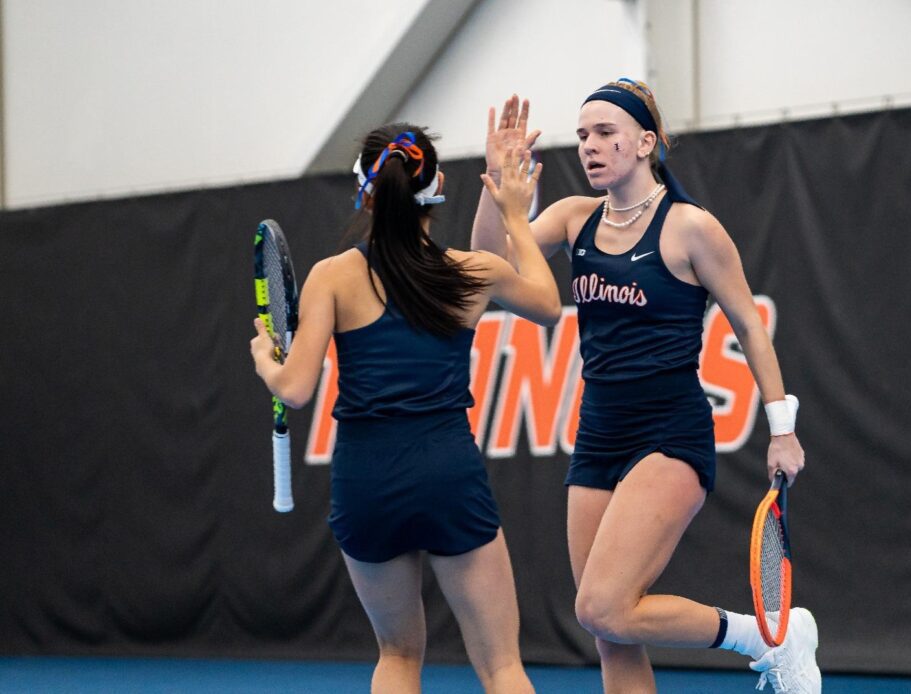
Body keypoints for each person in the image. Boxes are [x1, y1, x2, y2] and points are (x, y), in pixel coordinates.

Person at [471, 85, 822, 693]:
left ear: (645, 142)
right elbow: (486, 261)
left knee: (600, 605)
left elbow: (748, 326)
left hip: (670, 434)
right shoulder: (574, 216)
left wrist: (782, 428)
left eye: (607, 133)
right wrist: (497, 187)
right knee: (612, 633)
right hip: (598, 435)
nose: (591, 147)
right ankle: (770, 637)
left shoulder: (690, 228)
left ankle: (768, 636)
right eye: (582, 136)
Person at [251, 123, 559, 694]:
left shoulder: (334, 275)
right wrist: (514, 209)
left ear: (364, 190)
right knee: (501, 666)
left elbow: (293, 389)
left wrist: (265, 360)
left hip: (367, 482)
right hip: (447, 473)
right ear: (437, 184)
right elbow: (547, 304)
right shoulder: (470, 274)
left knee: (397, 654)